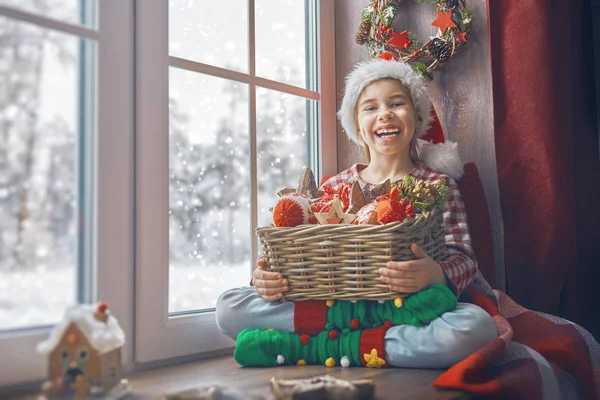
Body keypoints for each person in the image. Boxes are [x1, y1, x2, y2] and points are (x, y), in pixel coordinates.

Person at [215, 59, 497, 369]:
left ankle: (309, 347)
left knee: (476, 326)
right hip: (332, 304)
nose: (385, 114)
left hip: (405, 305)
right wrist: (263, 276)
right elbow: (299, 250)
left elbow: (464, 258)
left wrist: (436, 274)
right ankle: (366, 344)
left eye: (396, 103)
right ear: (357, 127)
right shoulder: (332, 187)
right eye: (371, 107)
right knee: (229, 307)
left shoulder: (436, 185)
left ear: (417, 118)